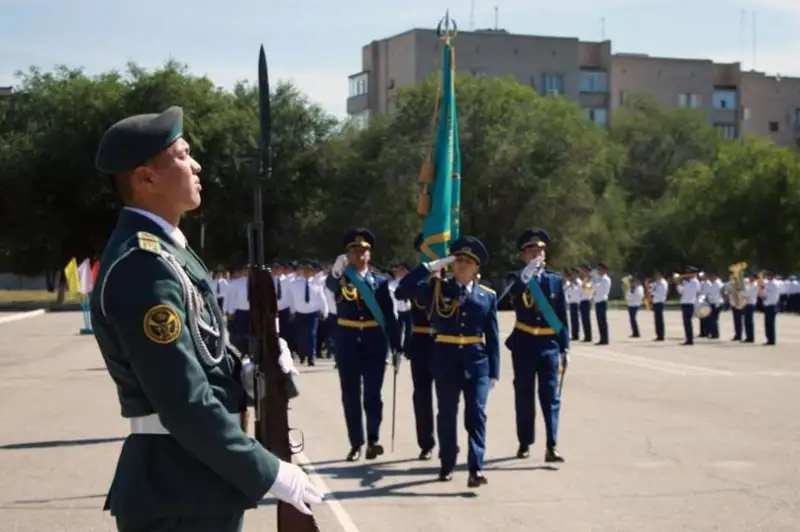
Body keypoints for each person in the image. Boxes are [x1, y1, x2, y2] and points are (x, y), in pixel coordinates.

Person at [91, 106, 321, 531]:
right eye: (182, 155)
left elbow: (204, 354)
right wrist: (266, 469)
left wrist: (250, 371)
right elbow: (183, 399)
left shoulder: (167, 253)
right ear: (146, 177)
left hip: (195, 484)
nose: (196, 165)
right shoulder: (143, 265)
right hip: (177, 488)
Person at [397, 236, 499, 487]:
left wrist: (494, 371)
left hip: (476, 362)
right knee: (447, 415)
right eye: (459, 260)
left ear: (477, 268)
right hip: (446, 359)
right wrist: (430, 267)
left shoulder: (488, 296)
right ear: (451, 265)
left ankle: (476, 468)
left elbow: (493, 336)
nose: (463, 265)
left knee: (476, 415)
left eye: (468, 262)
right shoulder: (438, 288)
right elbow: (402, 290)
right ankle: (447, 463)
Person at [326, 228, 402, 461]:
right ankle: (355, 442)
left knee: (372, 394)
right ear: (347, 254)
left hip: (374, 341)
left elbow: (390, 316)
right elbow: (330, 285)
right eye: (355, 251)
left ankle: (373, 439)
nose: (360, 254)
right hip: (348, 340)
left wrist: (396, 346)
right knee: (350, 394)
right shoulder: (341, 278)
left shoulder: (380, 282)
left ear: (370, 254)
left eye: (364, 251)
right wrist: (336, 270)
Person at [504, 228, 568, 463]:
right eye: (531, 251)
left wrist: (565, 347)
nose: (537, 255)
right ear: (524, 255)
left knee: (550, 397)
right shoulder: (516, 278)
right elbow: (510, 297)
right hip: (523, 344)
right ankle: (524, 441)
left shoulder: (555, 281)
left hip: (548, 345)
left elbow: (561, 317)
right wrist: (525, 276)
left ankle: (552, 444)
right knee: (524, 395)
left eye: (540, 250)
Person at [393, 233, 436, 460]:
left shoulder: (451, 279)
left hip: (445, 343)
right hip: (420, 341)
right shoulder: (417, 279)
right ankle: (427, 442)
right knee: (422, 396)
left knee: (448, 398)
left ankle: (449, 444)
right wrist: (427, 269)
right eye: (427, 249)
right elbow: (401, 290)